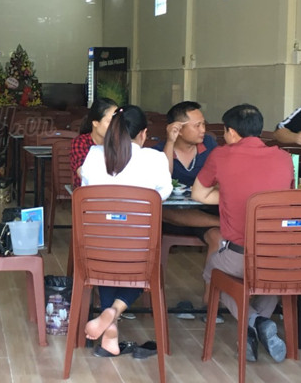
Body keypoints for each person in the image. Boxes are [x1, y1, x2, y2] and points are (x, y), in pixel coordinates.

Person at [192, 103, 294, 362]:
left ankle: (254, 322)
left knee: (213, 271)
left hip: (239, 256)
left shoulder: (221, 155)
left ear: (232, 132)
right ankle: (253, 331)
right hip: (280, 259)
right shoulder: (284, 157)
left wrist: (230, 194)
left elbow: (198, 194)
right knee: (270, 283)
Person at [81, 105, 172, 357]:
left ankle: (110, 323)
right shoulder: (156, 159)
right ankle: (113, 312)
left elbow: (85, 192)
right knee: (144, 264)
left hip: (95, 251)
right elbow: (162, 195)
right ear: (143, 134)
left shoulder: (93, 155)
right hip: (137, 253)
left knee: (109, 255)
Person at [155, 100, 220, 244]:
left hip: (205, 212)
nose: (203, 130)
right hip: (173, 217)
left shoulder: (209, 144)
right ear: (178, 129)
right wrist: (170, 142)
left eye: (203, 124)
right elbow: (164, 178)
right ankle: (221, 223)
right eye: (197, 125)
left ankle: (220, 224)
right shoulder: (159, 151)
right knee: (161, 210)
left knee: (217, 237)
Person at [69, 98, 118, 186]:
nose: (115, 126)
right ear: (95, 123)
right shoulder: (80, 143)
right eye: (110, 122)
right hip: (88, 192)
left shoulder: (119, 143)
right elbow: (84, 174)